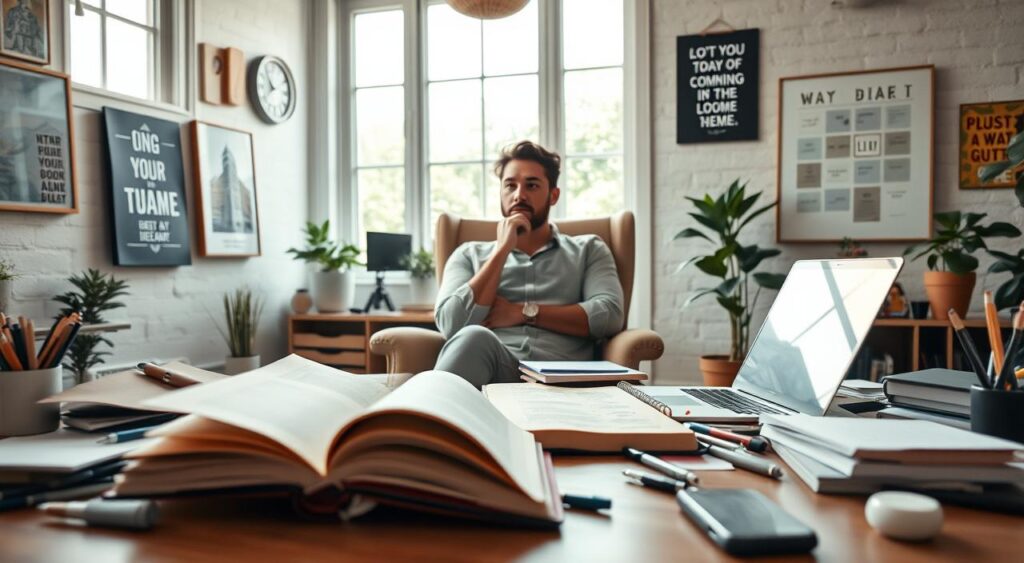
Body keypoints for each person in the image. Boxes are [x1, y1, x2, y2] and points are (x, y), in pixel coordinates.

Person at [433, 141, 625, 388]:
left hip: (562, 377)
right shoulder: (468, 254)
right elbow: (451, 324)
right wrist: (502, 249)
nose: (519, 195)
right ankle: (420, 425)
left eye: (531, 185)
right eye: (510, 185)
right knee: (473, 337)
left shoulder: (589, 249)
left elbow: (609, 315)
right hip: (496, 371)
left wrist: (524, 312)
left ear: (553, 195)